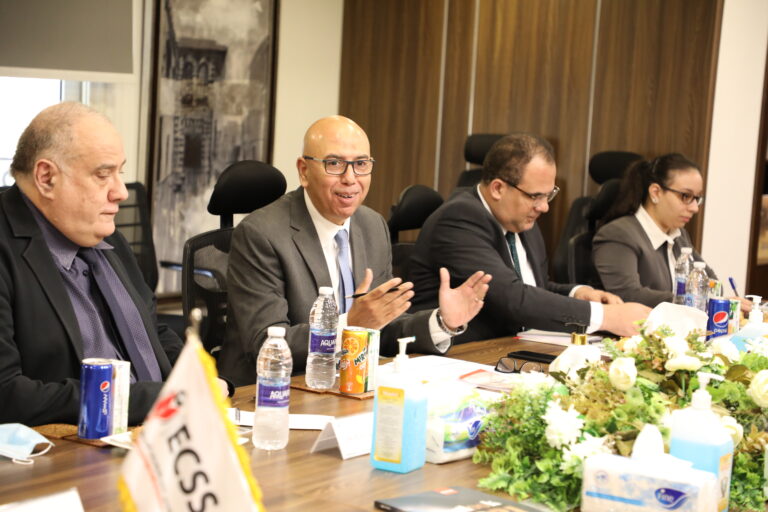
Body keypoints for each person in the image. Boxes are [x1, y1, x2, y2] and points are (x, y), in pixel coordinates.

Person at [219, 116, 491, 386]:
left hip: (351, 384)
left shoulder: (372, 225)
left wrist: (443, 322)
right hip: (271, 391)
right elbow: (267, 344)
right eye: (334, 164)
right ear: (304, 171)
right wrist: (349, 325)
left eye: (361, 164)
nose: (350, 179)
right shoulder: (261, 234)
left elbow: (384, 327)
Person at [0, 102, 187, 427]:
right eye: (102, 175)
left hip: (165, 429)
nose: (121, 193)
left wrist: (196, 378)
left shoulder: (107, 237)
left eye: (120, 173)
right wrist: (151, 400)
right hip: (70, 445)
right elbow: (7, 394)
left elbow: (152, 329)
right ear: (46, 177)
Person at [409, 133, 650, 343]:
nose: (544, 207)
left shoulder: (521, 218)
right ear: (498, 188)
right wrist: (606, 317)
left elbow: (533, 287)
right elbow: (512, 298)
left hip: (512, 348)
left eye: (548, 195)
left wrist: (577, 293)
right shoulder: (459, 219)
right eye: (535, 196)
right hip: (459, 355)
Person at [593, 153, 747, 311]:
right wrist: (691, 301)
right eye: (685, 196)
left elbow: (712, 284)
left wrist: (721, 302)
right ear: (656, 192)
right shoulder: (618, 234)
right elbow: (628, 295)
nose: (695, 208)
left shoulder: (679, 235)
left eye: (697, 198)